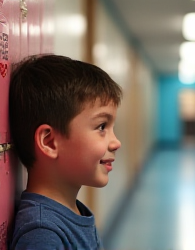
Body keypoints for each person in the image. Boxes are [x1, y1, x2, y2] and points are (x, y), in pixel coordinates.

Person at [9, 54, 122, 250]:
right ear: (50, 142)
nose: (116, 142)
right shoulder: (42, 233)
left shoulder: (70, 212)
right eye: (102, 126)